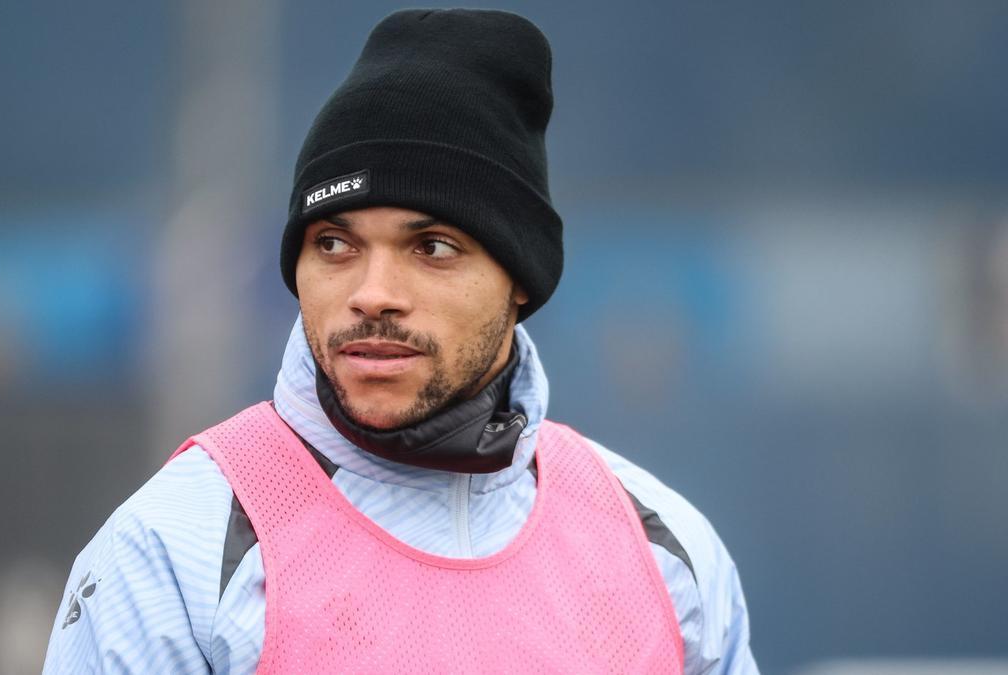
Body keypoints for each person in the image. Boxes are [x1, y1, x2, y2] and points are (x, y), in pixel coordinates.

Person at [44, 8, 757, 674]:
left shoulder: (666, 556)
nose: (372, 291)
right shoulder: (177, 545)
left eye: (433, 247)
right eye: (333, 243)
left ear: (520, 278)